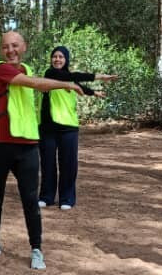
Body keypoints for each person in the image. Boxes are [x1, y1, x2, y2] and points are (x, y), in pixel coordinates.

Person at [0, 30, 84, 269]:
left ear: (24, 47)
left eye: (14, 46)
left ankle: (36, 250)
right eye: (5, 47)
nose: (10, 50)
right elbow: (34, 84)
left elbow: (37, 86)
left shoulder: (28, 69)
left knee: (30, 200)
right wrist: (68, 84)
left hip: (27, 146)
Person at [37, 46, 117, 210]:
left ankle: (67, 198)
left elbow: (77, 84)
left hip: (68, 127)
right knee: (47, 163)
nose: (57, 59)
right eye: (55, 56)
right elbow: (72, 78)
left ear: (66, 60)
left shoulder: (70, 79)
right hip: (47, 127)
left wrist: (94, 93)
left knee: (68, 164)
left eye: (61, 57)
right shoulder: (49, 74)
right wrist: (99, 76)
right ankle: (46, 196)